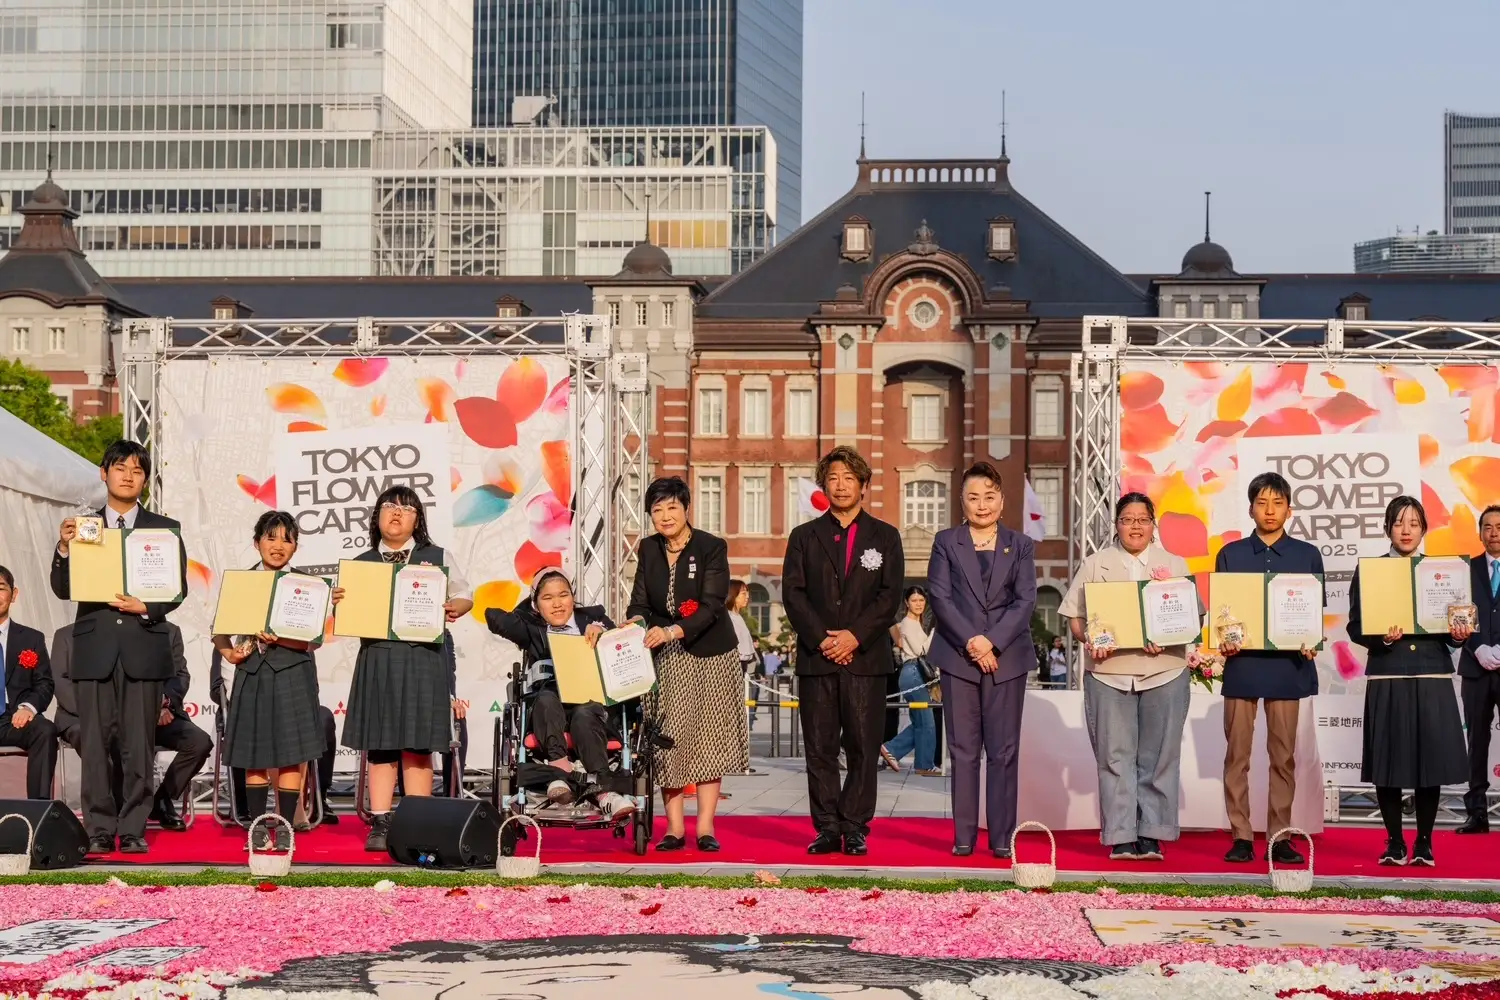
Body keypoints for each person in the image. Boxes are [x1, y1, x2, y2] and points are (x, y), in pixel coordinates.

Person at [50, 440, 188, 855]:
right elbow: (63, 588)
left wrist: (147, 606)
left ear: (145, 480)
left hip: (143, 647)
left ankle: (132, 827)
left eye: (137, 470)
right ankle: (97, 827)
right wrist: (63, 548)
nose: (128, 476)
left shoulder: (164, 528)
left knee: (138, 746)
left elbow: (177, 589)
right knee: (95, 745)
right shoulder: (85, 527)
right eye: (120, 468)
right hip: (95, 650)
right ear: (103, 473)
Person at [334, 485, 474, 852]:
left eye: (407, 508)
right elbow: (343, 613)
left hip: (424, 657)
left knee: (418, 745)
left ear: (418, 520)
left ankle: (417, 822)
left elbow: (465, 594)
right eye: (389, 506)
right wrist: (337, 602)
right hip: (378, 657)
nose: (397, 513)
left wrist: (456, 607)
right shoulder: (360, 564)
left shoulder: (437, 557)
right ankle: (380, 822)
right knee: (381, 746)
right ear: (377, 516)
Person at [1059, 491, 1195, 862]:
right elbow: (1075, 618)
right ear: (1116, 525)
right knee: (1114, 757)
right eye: (1127, 519)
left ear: (1153, 525)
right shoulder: (1095, 564)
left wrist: (1168, 635)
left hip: (1164, 671)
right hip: (1109, 674)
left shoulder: (1175, 564)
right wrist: (1090, 639)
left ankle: (1152, 833)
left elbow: (1191, 618)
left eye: (1142, 519)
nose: (1135, 526)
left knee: (1159, 757)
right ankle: (1120, 834)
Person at [781, 447, 903, 857]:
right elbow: (794, 594)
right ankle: (827, 827)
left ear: (864, 485)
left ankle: (854, 826)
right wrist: (823, 639)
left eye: (850, 478)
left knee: (863, 747)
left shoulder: (885, 536)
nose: (841, 485)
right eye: (833, 478)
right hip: (817, 659)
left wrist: (854, 636)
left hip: (866, 660)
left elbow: (889, 597)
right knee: (820, 747)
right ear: (824, 485)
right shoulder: (804, 537)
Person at [1347, 496, 1469, 867]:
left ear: (1423, 529)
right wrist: (1381, 638)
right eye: (1399, 523)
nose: (1406, 530)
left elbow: (1453, 628)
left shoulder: (1442, 572)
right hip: (1388, 673)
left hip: (1432, 673)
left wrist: (1459, 636)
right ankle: (1395, 843)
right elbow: (1354, 626)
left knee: (1429, 761)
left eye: (1414, 523)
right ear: (1387, 528)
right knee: (1388, 761)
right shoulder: (1370, 571)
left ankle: (1425, 843)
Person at [627, 476, 745, 852]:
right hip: (666, 657)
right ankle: (674, 828)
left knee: (708, 738)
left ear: (686, 508)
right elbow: (639, 602)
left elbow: (712, 605)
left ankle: (705, 827)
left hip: (711, 653)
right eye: (657, 509)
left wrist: (673, 630)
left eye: (672, 507)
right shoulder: (648, 548)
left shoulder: (711, 547)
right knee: (669, 738)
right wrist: (634, 625)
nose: (665, 516)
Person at [926, 462, 1037, 858]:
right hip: (959, 657)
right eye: (973, 497)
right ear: (962, 502)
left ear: (1002, 501)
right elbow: (939, 596)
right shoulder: (946, 541)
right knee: (963, 749)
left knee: (1004, 751)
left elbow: (1025, 600)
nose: (982, 505)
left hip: (1007, 659)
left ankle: (1002, 838)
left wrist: (992, 643)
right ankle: (963, 837)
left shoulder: (1020, 545)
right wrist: (974, 642)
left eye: (989, 497)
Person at [1214, 471, 1324, 865]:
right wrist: (1223, 637)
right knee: (1237, 756)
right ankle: (1241, 836)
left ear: (1289, 510)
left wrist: (1311, 640)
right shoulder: (1231, 554)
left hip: (1287, 668)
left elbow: (1312, 615)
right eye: (1262, 503)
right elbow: (1222, 613)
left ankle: (1280, 837)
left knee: (1283, 757)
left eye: (1278, 503)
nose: (1270, 510)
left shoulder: (1307, 555)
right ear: (1250, 509)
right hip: (1242, 666)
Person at [212, 512, 329, 849]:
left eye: (286, 540)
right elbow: (218, 629)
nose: (278, 546)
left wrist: (283, 636)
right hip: (252, 673)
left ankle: (285, 824)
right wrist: (229, 653)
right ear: (257, 542)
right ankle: (258, 826)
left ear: (295, 547)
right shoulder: (241, 582)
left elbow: (314, 641)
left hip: (294, 671)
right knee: (255, 754)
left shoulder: (309, 586)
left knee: (293, 754)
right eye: (271, 537)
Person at [485, 567, 635, 821]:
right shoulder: (532, 628)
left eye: (563, 595)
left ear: (573, 597)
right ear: (536, 604)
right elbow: (493, 617)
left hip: (587, 704)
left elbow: (621, 648)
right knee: (546, 698)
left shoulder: (594, 618)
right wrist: (531, 607)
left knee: (585, 714)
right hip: (548, 708)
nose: (557, 604)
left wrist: (602, 631)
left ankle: (604, 793)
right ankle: (559, 771)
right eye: (548, 598)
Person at [54, 621, 211, 832]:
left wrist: (160, 704)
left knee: (198, 742)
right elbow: (60, 682)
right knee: (109, 740)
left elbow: (179, 675)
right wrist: (103, 712)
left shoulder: (167, 631)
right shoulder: (67, 634)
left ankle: (161, 799)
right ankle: (112, 810)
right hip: (87, 716)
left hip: (154, 713)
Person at [1458, 504, 1500, 835]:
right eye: (1487, 527)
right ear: (1480, 533)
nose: (1494, 532)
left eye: (1499, 526)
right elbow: (1457, 614)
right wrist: (1478, 648)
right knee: (1477, 741)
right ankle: (1476, 813)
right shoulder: (1464, 570)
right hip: (1475, 669)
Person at [0, 566, 57, 799]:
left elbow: (45, 684)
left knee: (45, 730)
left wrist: (28, 708)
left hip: (14, 719)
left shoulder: (31, 638)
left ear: (14, 594)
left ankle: (38, 809)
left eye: (0, 588)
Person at [880, 586, 939, 776]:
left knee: (921, 722)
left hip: (915, 674)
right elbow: (921, 650)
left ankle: (897, 751)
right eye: (914, 600)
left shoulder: (916, 624)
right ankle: (922, 763)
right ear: (906, 603)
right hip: (913, 673)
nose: (918, 604)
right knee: (927, 723)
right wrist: (935, 632)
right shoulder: (907, 623)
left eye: (921, 600)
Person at [727, 580, 759, 728]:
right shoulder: (728, 617)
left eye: (748, 593)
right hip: (732, 667)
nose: (747, 597)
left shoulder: (738, 616)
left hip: (742, 667)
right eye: (743, 593)